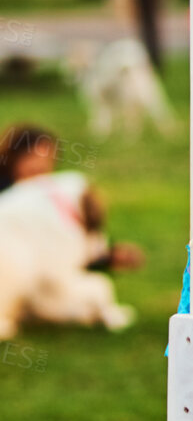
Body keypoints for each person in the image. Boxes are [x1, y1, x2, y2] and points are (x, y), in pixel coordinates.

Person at [0, 125, 143, 337]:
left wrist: (110, 257)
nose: (40, 166)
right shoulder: (11, 198)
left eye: (48, 159)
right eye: (33, 158)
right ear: (13, 158)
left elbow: (68, 252)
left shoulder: (51, 198)